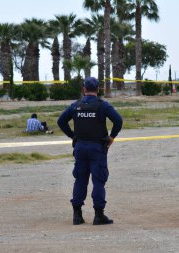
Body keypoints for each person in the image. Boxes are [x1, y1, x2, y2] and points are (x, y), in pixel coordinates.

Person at [57, 77, 123, 226]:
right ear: (98, 89)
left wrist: (73, 136)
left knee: (80, 179)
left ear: (84, 89)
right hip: (97, 148)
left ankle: (77, 215)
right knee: (98, 180)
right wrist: (112, 137)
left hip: (80, 147)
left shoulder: (76, 106)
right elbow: (118, 121)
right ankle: (99, 216)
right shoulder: (103, 106)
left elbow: (61, 121)